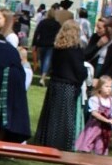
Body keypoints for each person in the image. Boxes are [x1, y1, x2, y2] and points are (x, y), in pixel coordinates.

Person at [34, 19, 88, 151]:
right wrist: (84, 75)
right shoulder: (75, 50)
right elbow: (79, 69)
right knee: (65, 116)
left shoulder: (58, 48)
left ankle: (47, 139)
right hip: (68, 85)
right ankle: (61, 142)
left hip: (55, 83)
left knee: (52, 114)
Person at [75, 76, 112, 154]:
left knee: (101, 146)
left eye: (110, 87)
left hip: (105, 129)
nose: (109, 89)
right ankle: (83, 158)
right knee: (88, 143)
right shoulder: (95, 99)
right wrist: (107, 120)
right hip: (94, 127)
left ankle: (98, 158)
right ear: (100, 87)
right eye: (106, 86)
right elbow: (94, 113)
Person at [31, 6, 60, 86]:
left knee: (42, 59)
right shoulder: (57, 24)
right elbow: (59, 35)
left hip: (41, 43)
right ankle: (43, 77)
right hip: (51, 44)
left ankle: (42, 76)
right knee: (47, 60)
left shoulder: (42, 22)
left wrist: (34, 43)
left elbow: (37, 32)